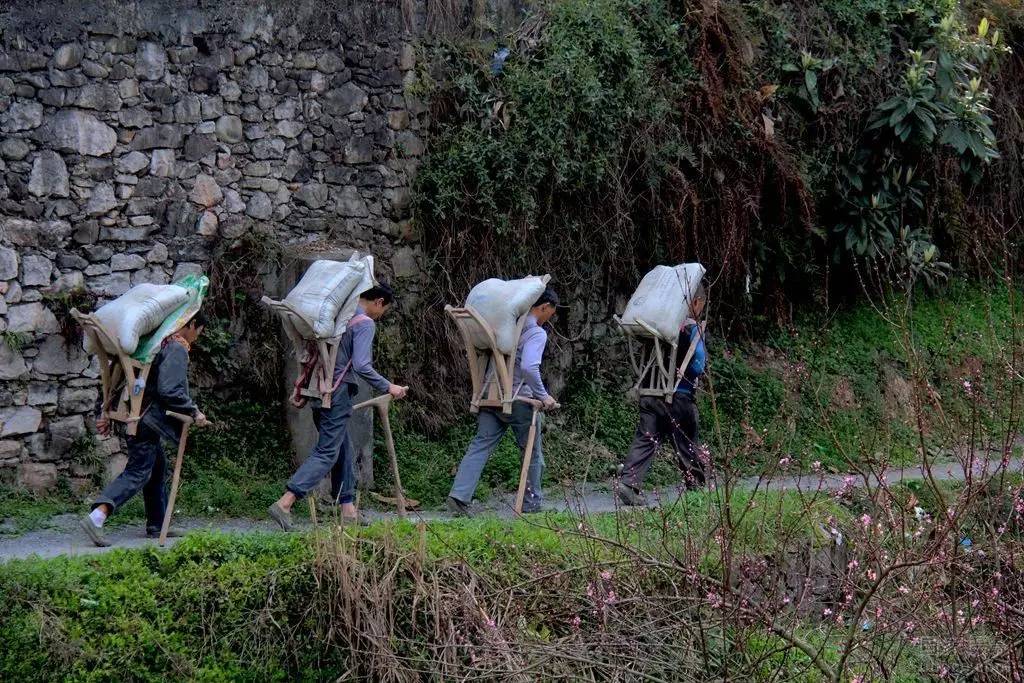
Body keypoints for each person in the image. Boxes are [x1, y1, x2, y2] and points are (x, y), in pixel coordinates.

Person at [268, 283, 406, 530]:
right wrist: (389, 387)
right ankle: (285, 502)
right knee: (327, 452)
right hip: (337, 393)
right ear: (379, 302)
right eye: (383, 310)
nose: (380, 315)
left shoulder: (338, 318)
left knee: (344, 448)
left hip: (318, 389)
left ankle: (348, 509)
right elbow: (363, 365)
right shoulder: (363, 323)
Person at [80, 311, 210, 547]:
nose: (196, 338)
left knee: (157, 467)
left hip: (137, 417)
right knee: (139, 471)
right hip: (146, 421)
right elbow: (170, 390)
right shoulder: (175, 348)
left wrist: (105, 412)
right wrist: (194, 411)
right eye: (198, 332)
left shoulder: (153, 345)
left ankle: (156, 524)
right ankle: (97, 515)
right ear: (191, 324)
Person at [447, 286, 560, 516]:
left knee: (480, 445)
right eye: (551, 313)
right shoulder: (535, 333)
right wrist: (543, 395)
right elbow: (529, 367)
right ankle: (531, 502)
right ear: (544, 307)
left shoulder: (502, 326)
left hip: (492, 395)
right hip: (520, 399)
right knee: (531, 451)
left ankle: (458, 496)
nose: (550, 318)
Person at [616, 286, 709, 506]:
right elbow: (698, 363)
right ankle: (696, 491)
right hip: (678, 396)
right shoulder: (692, 328)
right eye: (701, 306)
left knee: (646, 439)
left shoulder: (655, 324)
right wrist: (690, 374)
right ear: (696, 302)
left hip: (649, 395)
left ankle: (629, 483)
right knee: (686, 442)